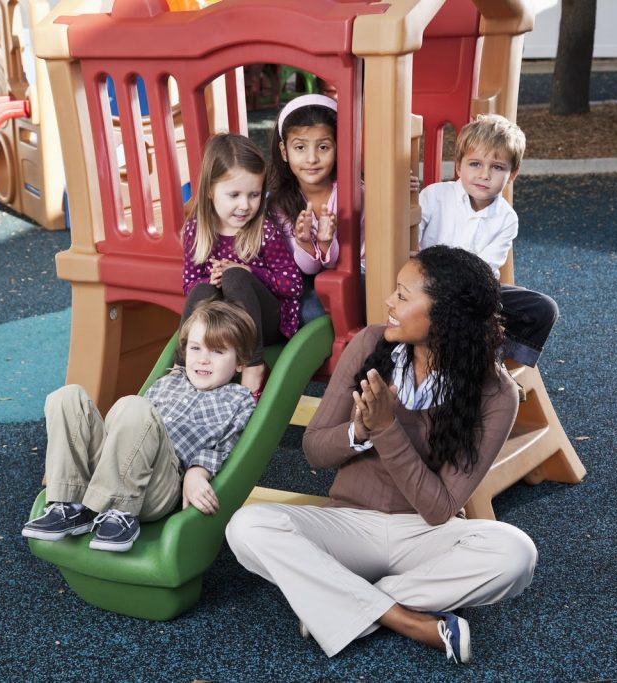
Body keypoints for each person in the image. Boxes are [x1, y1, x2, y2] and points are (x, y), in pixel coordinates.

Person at [226, 245, 538, 663]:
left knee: (516, 554)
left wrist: (388, 428)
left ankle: (339, 600)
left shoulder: (496, 393)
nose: (389, 303)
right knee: (246, 527)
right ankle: (408, 619)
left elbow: (439, 508)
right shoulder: (371, 343)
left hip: (425, 535)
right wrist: (358, 430)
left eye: (403, 296)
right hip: (347, 525)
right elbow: (314, 451)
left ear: (445, 316)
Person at [22, 300, 257, 553]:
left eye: (218, 352)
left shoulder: (237, 399)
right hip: (110, 471)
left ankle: (122, 514)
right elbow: (129, 431)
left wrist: (196, 472)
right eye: (196, 348)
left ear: (241, 363)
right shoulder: (166, 383)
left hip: (156, 487)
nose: (203, 359)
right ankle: (68, 505)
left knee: (135, 407)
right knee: (67, 397)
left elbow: (227, 446)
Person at [418, 113, 559, 367]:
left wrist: (466, 289)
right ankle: (474, 361)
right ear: (458, 166)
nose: (484, 175)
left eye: (497, 167)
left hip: (471, 294)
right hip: (426, 287)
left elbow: (482, 273)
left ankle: (495, 363)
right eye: (475, 164)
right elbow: (412, 248)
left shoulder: (506, 219)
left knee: (543, 308)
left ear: (512, 175)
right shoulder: (434, 197)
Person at [267, 93, 417, 324]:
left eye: (323, 147)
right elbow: (307, 269)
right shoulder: (281, 204)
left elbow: (385, 205)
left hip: (362, 271)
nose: (312, 158)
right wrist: (306, 243)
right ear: (284, 151)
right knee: (303, 311)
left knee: (351, 306)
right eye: (300, 147)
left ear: (339, 148)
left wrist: (396, 187)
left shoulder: (354, 191)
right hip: (313, 277)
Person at [180, 132, 303, 399]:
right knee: (200, 292)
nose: (245, 205)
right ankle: (181, 367)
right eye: (234, 195)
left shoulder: (264, 231)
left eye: (254, 195)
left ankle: (254, 364)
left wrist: (250, 272)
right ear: (211, 191)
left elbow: (293, 284)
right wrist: (209, 282)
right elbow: (188, 283)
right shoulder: (196, 230)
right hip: (225, 324)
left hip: (265, 323)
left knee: (235, 276)